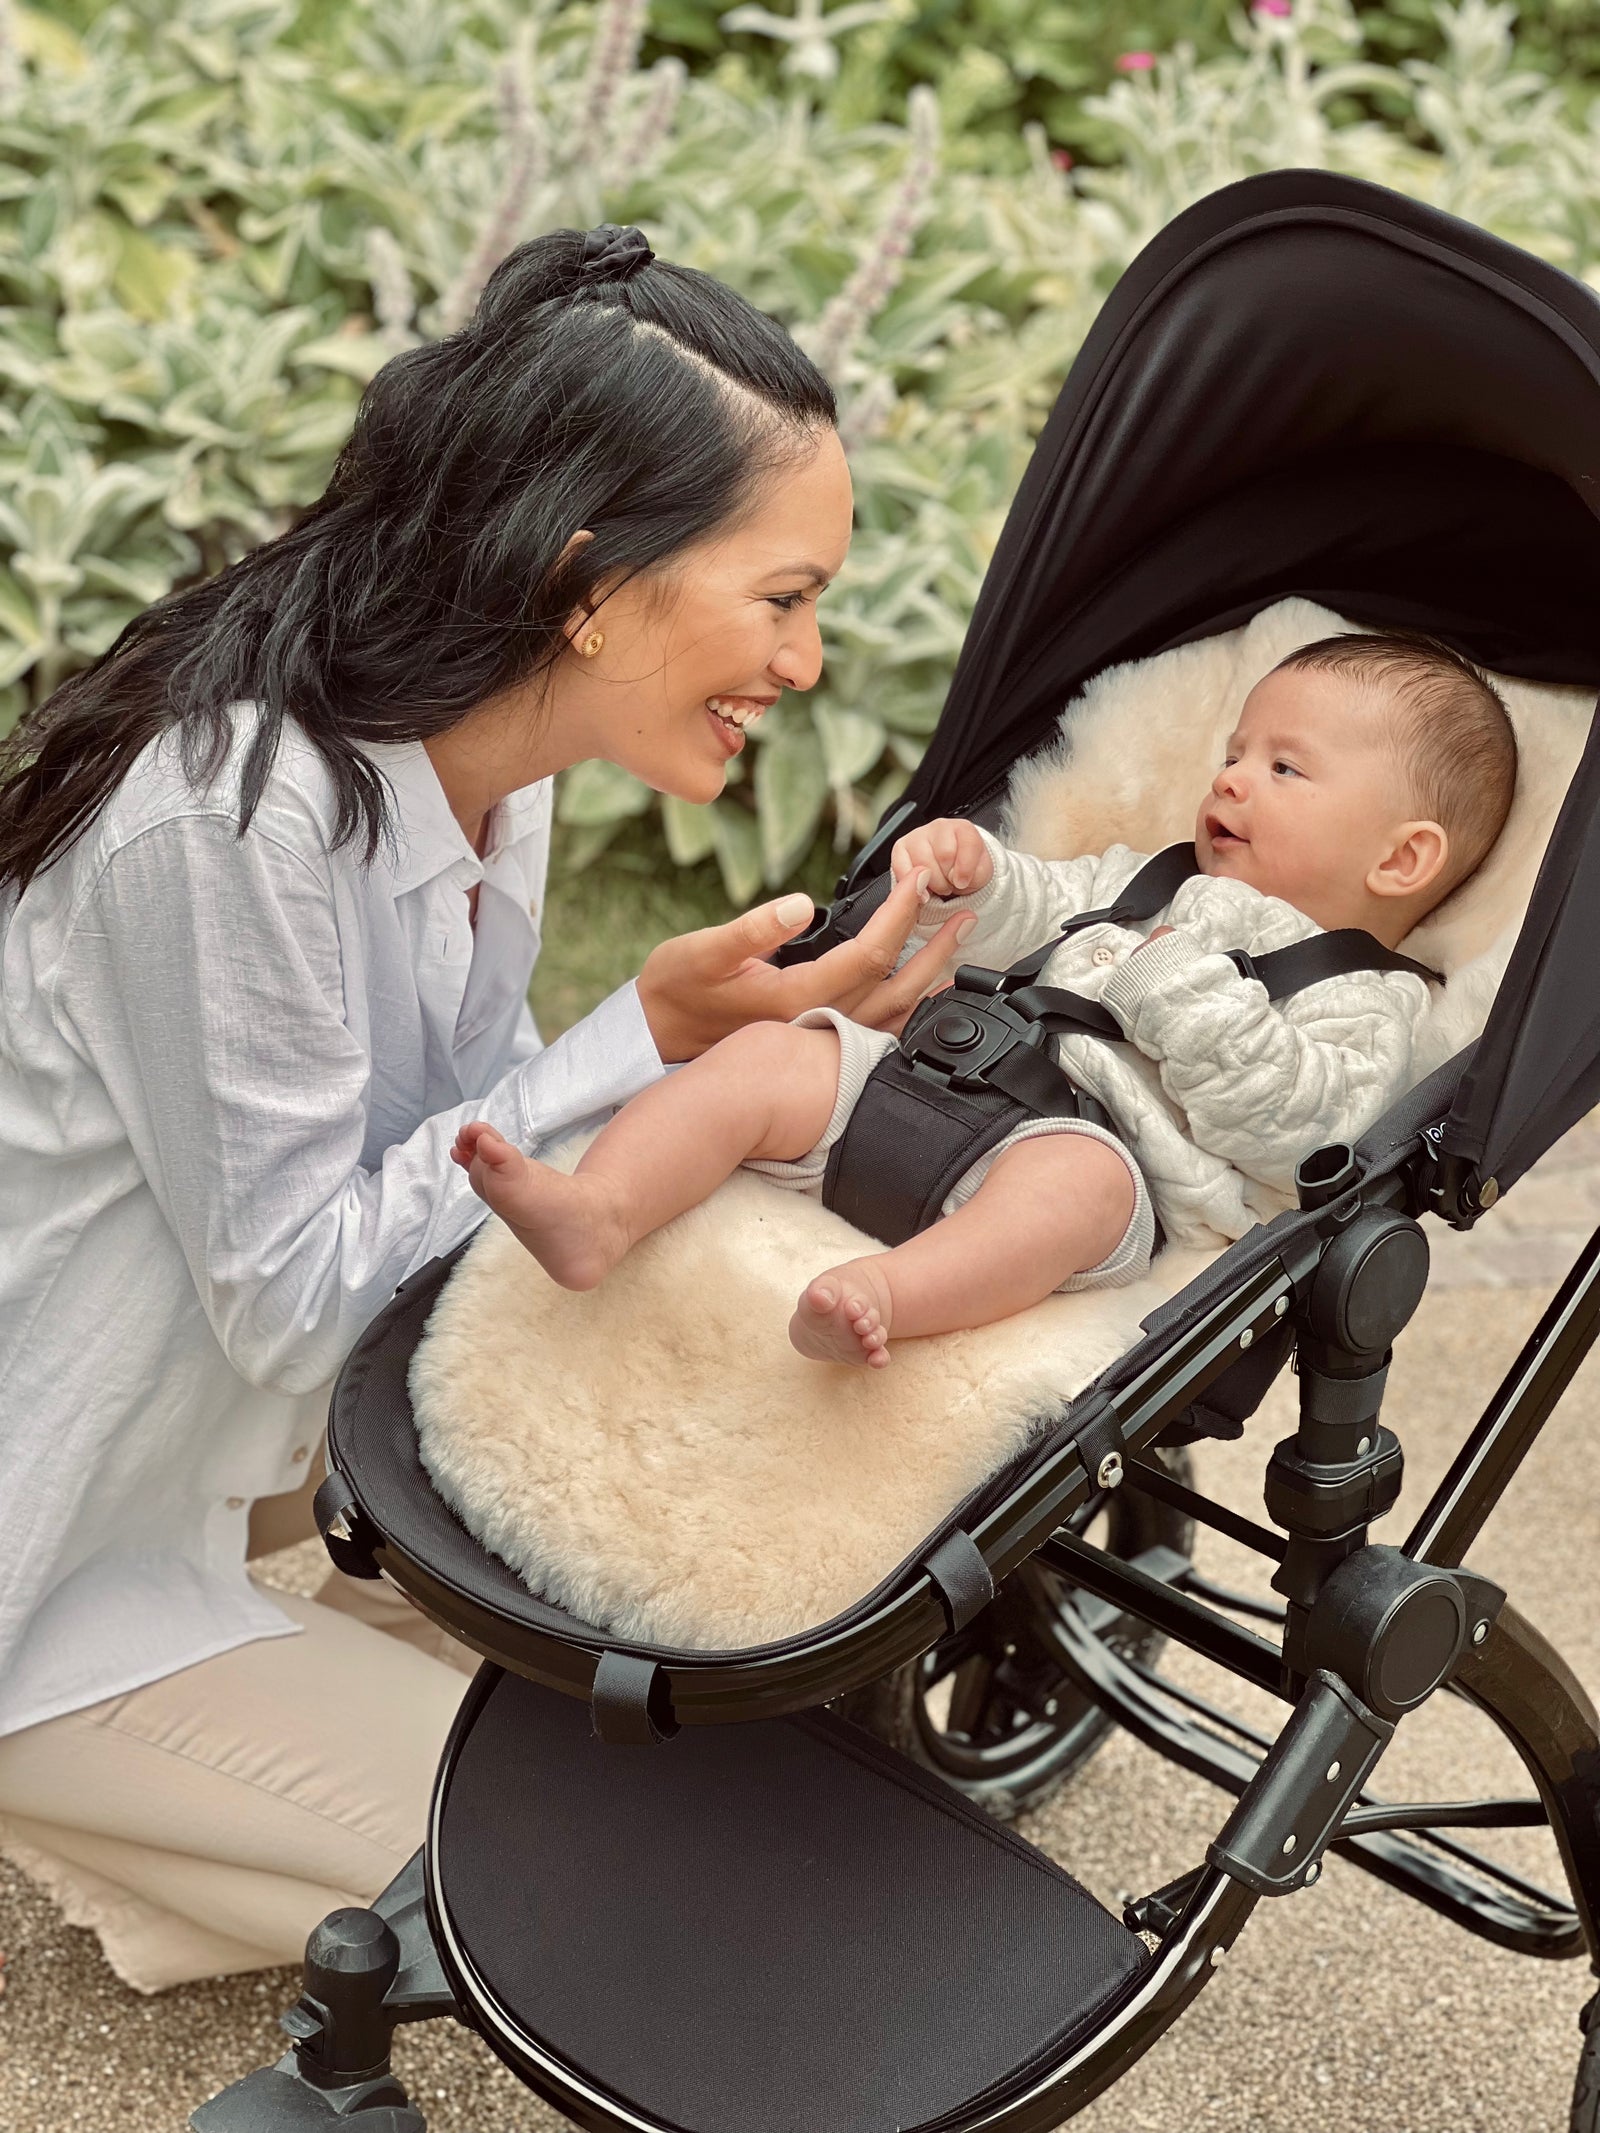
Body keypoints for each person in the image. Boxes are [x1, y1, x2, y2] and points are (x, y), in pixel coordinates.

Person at [0, 224, 971, 1991]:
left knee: (692, 1797)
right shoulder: (234, 817)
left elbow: (450, 1201)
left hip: (214, 1464)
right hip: (45, 1554)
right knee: (638, 1911)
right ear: (593, 587)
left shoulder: (475, 768)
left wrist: (707, 1071)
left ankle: (185, 1843)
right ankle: (106, 1794)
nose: (811, 660)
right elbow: (302, 1294)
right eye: (784, 595)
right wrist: (636, 1034)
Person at [454, 632, 1518, 1366]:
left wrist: (1176, 984)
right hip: (932, 1079)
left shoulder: (1365, 995)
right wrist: (978, 874)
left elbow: (1301, 1136)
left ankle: (886, 1299)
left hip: (1095, 1153)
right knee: (777, 1054)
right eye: (1232, 753)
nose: (1229, 781)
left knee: (1075, 1191)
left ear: (1401, 858)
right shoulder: (1147, 881)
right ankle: (601, 1210)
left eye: (1284, 769)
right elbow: (1041, 907)